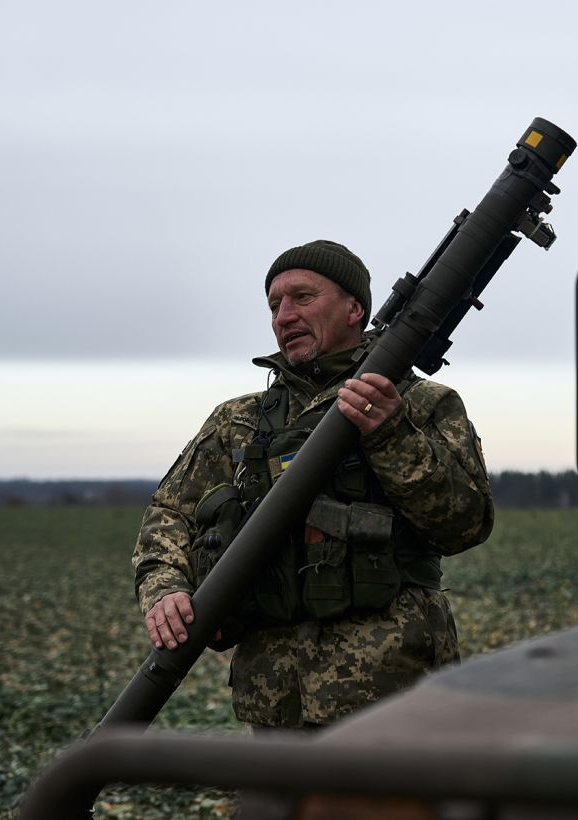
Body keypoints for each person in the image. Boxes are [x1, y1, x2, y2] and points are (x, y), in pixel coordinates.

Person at [132, 239, 494, 729]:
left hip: (394, 694)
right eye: (274, 306)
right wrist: (165, 588)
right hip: (275, 702)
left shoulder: (420, 403)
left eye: (303, 297)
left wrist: (390, 435)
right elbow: (168, 514)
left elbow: (466, 524)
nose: (284, 316)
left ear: (354, 309)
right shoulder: (237, 420)